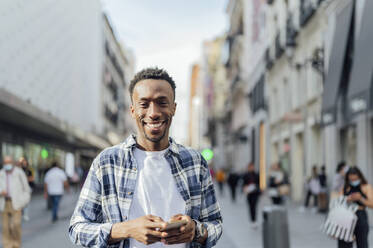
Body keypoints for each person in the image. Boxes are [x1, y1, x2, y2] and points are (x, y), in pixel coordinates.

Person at [69, 68, 222, 248]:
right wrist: (126, 229)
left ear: (174, 107)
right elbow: (77, 228)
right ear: (132, 111)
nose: (153, 112)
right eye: (144, 104)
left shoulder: (195, 162)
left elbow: (215, 224)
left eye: (162, 102)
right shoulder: (107, 162)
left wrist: (196, 231)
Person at [338, 166, 373, 248]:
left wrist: (361, 198)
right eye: (351, 180)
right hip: (345, 216)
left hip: (360, 216)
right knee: (344, 244)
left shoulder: (366, 187)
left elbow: (372, 204)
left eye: (355, 179)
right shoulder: (345, 187)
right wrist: (347, 199)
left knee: (362, 243)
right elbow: (338, 201)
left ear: (360, 177)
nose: (353, 181)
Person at [0, 156, 31, 248]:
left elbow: (27, 189)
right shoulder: (1, 173)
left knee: (15, 225)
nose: (7, 164)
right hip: (4, 202)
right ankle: (7, 245)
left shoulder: (19, 173)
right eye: (5, 163)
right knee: (5, 227)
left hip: (17, 203)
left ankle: (16, 244)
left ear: (12, 163)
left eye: (9, 162)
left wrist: (23, 202)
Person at [242, 163, 261, 229]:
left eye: (252, 167)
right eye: (250, 167)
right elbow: (243, 184)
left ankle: (255, 220)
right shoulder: (246, 175)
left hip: (255, 193)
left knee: (254, 206)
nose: (251, 168)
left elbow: (259, 183)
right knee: (251, 207)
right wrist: (245, 188)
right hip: (249, 193)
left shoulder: (256, 174)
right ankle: (252, 220)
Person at [18, 157, 34, 221]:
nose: (24, 164)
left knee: (26, 201)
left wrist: (24, 180)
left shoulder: (29, 170)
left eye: (25, 163)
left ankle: (25, 214)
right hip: (20, 188)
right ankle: (21, 213)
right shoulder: (18, 170)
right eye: (22, 163)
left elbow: (32, 178)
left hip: (28, 188)